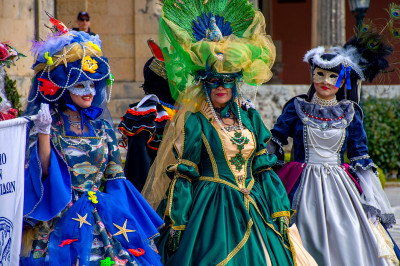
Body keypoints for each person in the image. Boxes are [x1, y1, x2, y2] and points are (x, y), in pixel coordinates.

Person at [142, 0, 317, 265]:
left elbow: (263, 168)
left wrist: (279, 209)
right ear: (204, 82)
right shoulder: (195, 122)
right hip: (211, 211)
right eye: (214, 80)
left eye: (228, 80)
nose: (221, 86)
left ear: (236, 82)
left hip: (254, 204)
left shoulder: (250, 117)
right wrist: (177, 222)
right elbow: (184, 175)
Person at [21, 18, 163, 265]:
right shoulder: (49, 124)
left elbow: (116, 177)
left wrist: (127, 217)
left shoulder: (103, 128)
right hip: (61, 213)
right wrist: (43, 132)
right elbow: (44, 171)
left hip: (103, 212)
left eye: (92, 84)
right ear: (62, 87)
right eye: (79, 84)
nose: (88, 91)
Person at [270, 22, 399, 265]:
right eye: (319, 74)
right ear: (312, 75)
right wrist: (268, 171)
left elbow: (359, 154)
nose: (325, 81)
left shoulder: (350, 112)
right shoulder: (296, 106)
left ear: (342, 82)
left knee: (349, 229)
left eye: (332, 76)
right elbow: (276, 141)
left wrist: (370, 195)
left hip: (340, 187)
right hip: (300, 182)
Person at [119, 39, 176, 191]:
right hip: (154, 199)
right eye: (174, 79)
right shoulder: (148, 117)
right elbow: (139, 171)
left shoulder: (184, 113)